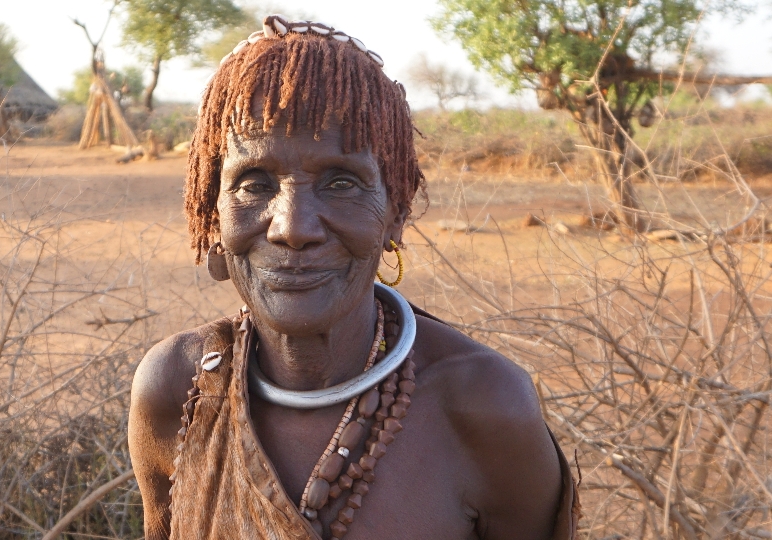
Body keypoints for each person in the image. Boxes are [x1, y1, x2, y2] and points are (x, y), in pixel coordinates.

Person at [128, 15, 579, 540]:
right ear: (212, 216)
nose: (293, 228)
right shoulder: (177, 392)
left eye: (342, 182)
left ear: (395, 212)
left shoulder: (485, 406)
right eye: (254, 183)